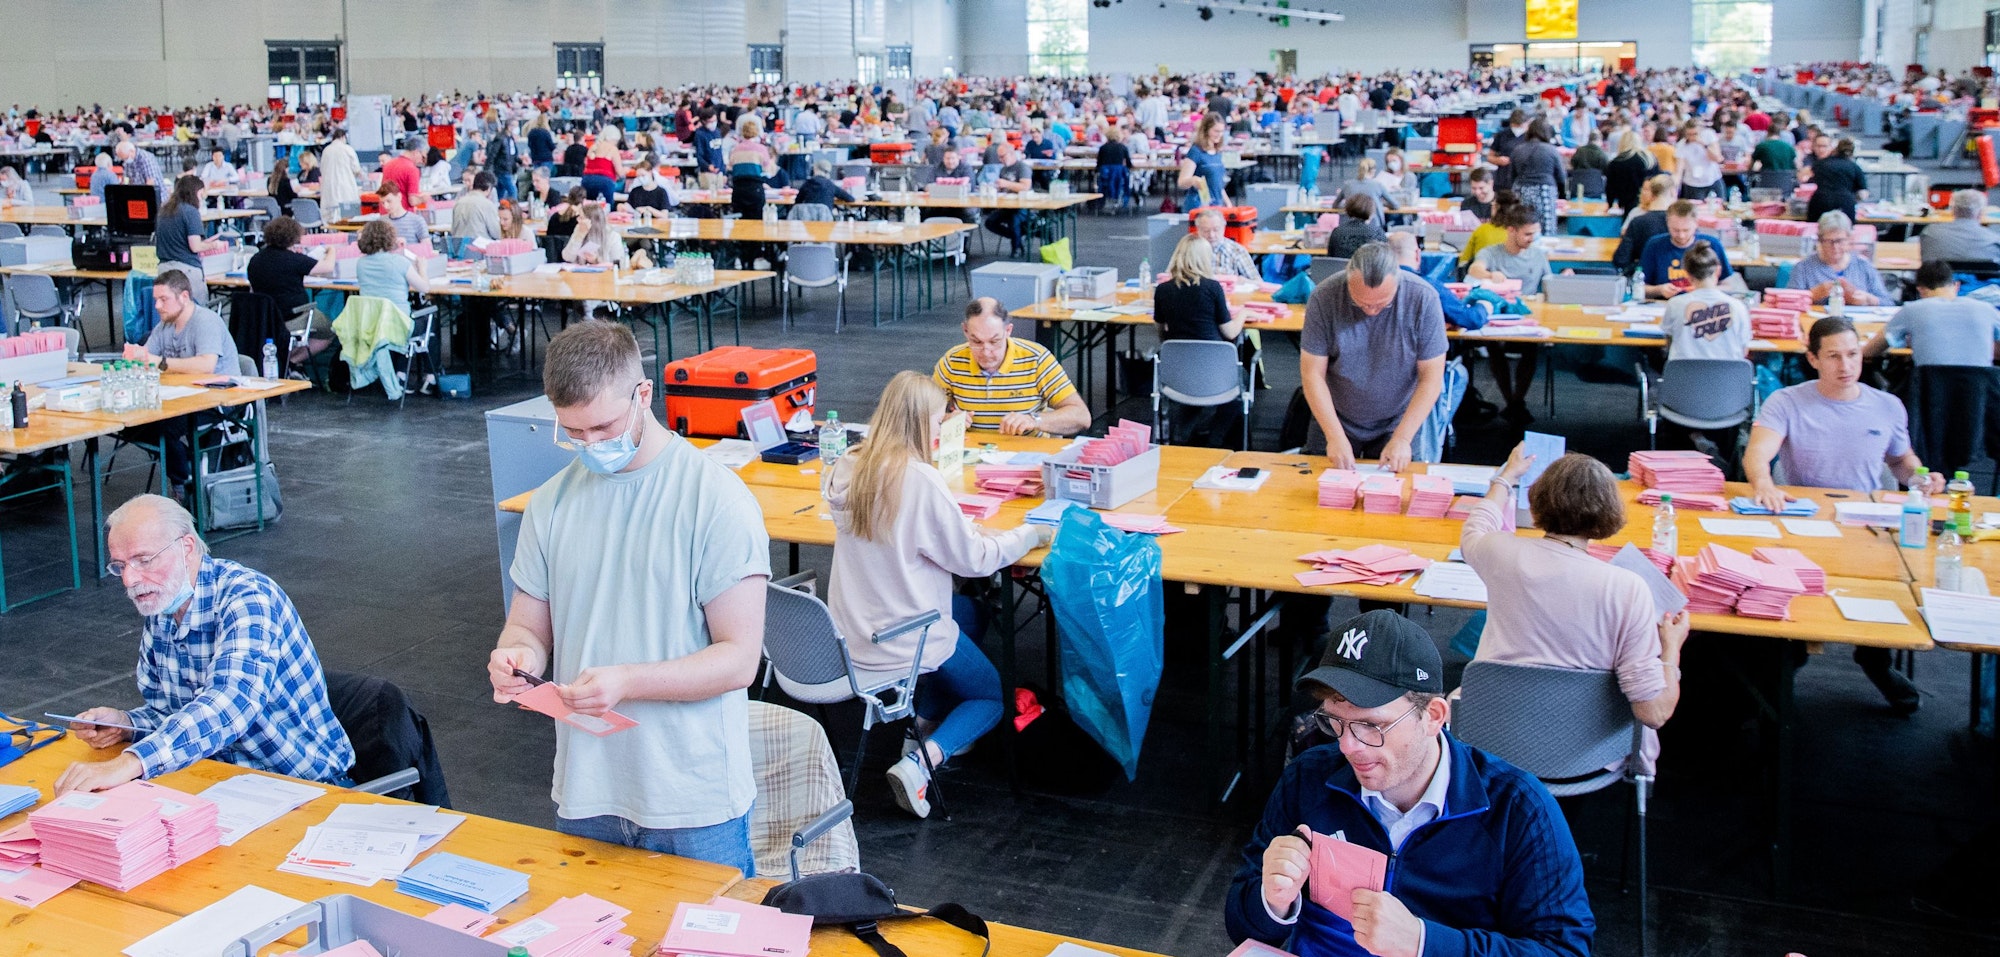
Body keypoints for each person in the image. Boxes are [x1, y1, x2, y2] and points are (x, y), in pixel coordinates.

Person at [488, 321, 770, 872]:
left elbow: (739, 660)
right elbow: (527, 626)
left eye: (604, 427)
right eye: (574, 432)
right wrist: (518, 656)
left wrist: (627, 681)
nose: (591, 445)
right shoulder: (551, 502)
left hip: (693, 799)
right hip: (587, 789)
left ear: (644, 394)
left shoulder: (715, 500)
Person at [1224, 608, 1593, 957]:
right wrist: (1271, 901)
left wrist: (1423, 942)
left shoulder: (1518, 808)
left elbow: (1563, 949)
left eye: (1372, 725)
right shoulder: (1310, 776)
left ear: (1433, 716)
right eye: (1335, 721)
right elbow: (1243, 926)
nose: (1347, 746)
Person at [822, 371, 1050, 817]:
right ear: (919, 423)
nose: (940, 430)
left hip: (852, 630)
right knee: (994, 697)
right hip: (901, 636)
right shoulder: (919, 480)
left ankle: (921, 721)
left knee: (970, 613)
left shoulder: (850, 465)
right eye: (937, 422)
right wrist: (1026, 535)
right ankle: (921, 763)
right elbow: (975, 560)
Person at [55, 494, 355, 793]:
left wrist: (131, 762)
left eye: (143, 560)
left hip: (306, 788)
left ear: (186, 547)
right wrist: (126, 724)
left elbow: (231, 704)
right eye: (120, 566)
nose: (129, 579)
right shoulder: (164, 604)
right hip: (220, 782)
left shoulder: (248, 597)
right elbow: (174, 715)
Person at [1744, 316, 1942, 714]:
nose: (1846, 365)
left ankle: (1875, 658)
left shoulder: (1887, 405)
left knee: (1890, 588)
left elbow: (1902, 461)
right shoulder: (1786, 401)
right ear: (1813, 359)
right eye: (1834, 356)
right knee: (1791, 605)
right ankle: (1783, 669)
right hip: (1804, 522)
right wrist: (1763, 483)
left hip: (1865, 525)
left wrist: (1923, 478)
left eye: (1853, 354)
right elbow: (1757, 454)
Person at [1463, 446, 1690, 776]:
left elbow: (1477, 526)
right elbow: (1654, 712)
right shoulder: (1627, 588)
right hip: (1588, 756)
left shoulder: (1499, 552)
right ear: (1609, 511)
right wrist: (1671, 648)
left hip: (1495, 744)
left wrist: (1507, 476)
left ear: (1537, 500)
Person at [1300, 242, 1455, 470]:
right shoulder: (1324, 297)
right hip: (1336, 416)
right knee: (1322, 483)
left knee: (1400, 486)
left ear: (1397, 282)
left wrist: (1403, 438)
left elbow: (1431, 378)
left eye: (1382, 304)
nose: (1371, 311)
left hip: (1400, 418)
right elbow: (1312, 374)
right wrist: (1334, 436)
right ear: (1348, 281)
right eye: (1360, 303)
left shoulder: (1423, 298)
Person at [118, 270, 241, 493]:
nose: (157, 306)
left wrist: (159, 362)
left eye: (163, 299)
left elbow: (206, 366)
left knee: (164, 426)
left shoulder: (205, 321)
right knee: (130, 423)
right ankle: (186, 465)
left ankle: (182, 480)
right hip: (183, 397)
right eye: (156, 300)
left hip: (216, 400)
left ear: (184, 297)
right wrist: (136, 357)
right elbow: (148, 357)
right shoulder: (165, 325)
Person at [932, 298, 1092, 436]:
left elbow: (1081, 416)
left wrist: (1035, 420)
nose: (986, 352)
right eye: (977, 341)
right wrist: (945, 419)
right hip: (972, 453)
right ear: (965, 331)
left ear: (1008, 331)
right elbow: (923, 414)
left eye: (994, 341)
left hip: (1026, 453)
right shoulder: (952, 361)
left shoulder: (1036, 359)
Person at [1154, 234, 1248, 446]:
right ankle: (1216, 439)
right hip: (1215, 372)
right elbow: (1230, 332)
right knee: (1241, 380)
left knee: (1191, 392)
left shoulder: (1162, 290)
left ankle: (1185, 434)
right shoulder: (1212, 288)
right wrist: (1243, 314)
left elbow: (1161, 331)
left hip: (1177, 374)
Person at [1865, 260, 2000, 366]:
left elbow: (1870, 350)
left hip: (1930, 388)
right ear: (1957, 285)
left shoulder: (1912, 310)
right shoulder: (1987, 309)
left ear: (1920, 290)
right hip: (1979, 389)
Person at [246, 215, 336, 363]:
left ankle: (283, 362)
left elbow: (252, 290)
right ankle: (291, 362)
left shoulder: (255, 259)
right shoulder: (294, 259)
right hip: (292, 317)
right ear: (294, 238)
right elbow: (327, 267)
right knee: (329, 329)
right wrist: (331, 250)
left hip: (263, 319)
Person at [1661, 243, 1750, 361]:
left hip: (1684, 372)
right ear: (1718, 271)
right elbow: (1744, 350)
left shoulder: (1674, 304)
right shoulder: (1739, 307)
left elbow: (1669, 341)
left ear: (1687, 274)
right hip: (1727, 373)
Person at [1785, 211, 1889, 306]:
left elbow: (1888, 303)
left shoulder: (1864, 265)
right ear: (1820, 240)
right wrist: (1812, 296)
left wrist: (1868, 299)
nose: (1835, 247)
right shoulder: (1803, 267)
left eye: (1840, 241)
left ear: (1849, 239)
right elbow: (1788, 303)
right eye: (1829, 241)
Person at [1388, 231, 1486, 330]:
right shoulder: (1428, 287)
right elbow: (1472, 319)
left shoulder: (1380, 285)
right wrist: (1484, 305)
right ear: (1418, 254)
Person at [1638, 200, 1735, 299]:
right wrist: (1659, 290)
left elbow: (1728, 286)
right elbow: (1639, 287)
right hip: (1665, 303)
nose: (1681, 235)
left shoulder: (1712, 244)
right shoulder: (1654, 245)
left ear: (1696, 224)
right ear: (1667, 224)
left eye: (1686, 230)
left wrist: (1704, 290)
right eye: (1675, 230)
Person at [152, 175, 225, 304]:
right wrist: (214, 245)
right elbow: (195, 246)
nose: (201, 199)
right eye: (201, 194)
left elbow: (177, 240)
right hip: (187, 271)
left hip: (163, 270)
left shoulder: (163, 211)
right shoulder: (191, 212)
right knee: (196, 311)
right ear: (195, 193)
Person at [355, 218, 430, 311]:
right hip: (397, 317)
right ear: (390, 238)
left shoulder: (361, 263)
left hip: (370, 317)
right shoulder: (401, 262)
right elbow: (424, 288)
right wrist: (422, 268)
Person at [1508, 119, 1567, 236]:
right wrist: (1562, 196)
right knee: (1547, 229)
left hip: (1521, 190)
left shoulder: (1518, 150)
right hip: (1545, 191)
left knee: (1522, 227)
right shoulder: (1551, 150)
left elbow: (1511, 176)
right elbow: (1561, 177)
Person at [1612, 174, 1678, 275]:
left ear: (1652, 193)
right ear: (1673, 192)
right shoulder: (1681, 223)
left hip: (1645, 275)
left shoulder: (1637, 222)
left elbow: (1621, 259)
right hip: (1675, 274)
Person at [1918, 189, 2000, 266]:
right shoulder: (1994, 241)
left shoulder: (1930, 233)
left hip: (1939, 276)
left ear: (1953, 211)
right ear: (1981, 213)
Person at [981, 143, 1036, 256]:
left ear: (1011, 154)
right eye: (999, 157)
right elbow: (1004, 188)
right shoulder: (1003, 169)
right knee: (990, 222)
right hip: (1007, 205)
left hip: (1022, 205)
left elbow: (1025, 186)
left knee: (1014, 221)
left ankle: (1016, 248)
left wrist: (1006, 183)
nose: (1000, 160)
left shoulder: (1022, 167)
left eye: (1002, 156)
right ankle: (1016, 238)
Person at [1802, 137, 1866, 223]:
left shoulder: (1820, 163)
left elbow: (1803, 177)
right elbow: (1863, 194)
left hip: (1820, 201)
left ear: (1834, 149)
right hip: (1845, 202)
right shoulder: (1854, 167)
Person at [1177, 112, 1229, 210]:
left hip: (1217, 206)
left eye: (1222, 131)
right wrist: (1193, 180)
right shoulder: (1196, 151)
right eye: (1216, 131)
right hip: (1198, 205)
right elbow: (1181, 182)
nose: (1220, 135)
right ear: (1206, 130)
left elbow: (1218, 185)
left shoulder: (1217, 152)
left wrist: (1228, 204)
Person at [1194, 205, 1258, 280]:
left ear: (1223, 228)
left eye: (1216, 230)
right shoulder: (1189, 251)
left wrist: (1240, 280)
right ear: (1198, 230)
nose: (1211, 235)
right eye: (1206, 230)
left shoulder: (1237, 251)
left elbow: (1257, 281)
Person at [564, 201, 630, 269]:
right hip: (579, 272)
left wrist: (597, 260)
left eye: (581, 218)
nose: (578, 220)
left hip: (605, 274)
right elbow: (567, 257)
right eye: (578, 217)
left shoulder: (613, 236)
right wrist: (579, 237)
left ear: (592, 221)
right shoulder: (579, 229)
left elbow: (618, 264)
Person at [1604, 129, 1654, 213]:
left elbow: (1610, 188)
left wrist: (1610, 204)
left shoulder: (1616, 162)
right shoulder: (1649, 159)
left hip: (1628, 204)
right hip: (1650, 203)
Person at [1325, 194, 1387, 259]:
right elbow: (1384, 259)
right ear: (1372, 212)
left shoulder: (1338, 232)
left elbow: (1331, 258)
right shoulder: (1377, 232)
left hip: (1344, 265)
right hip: (1368, 265)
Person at [451, 170, 503, 246]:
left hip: (458, 248)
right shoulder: (487, 204)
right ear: (489, 189)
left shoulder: (459, 203)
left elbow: (453, 231)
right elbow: (496, 233)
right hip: (479, 248)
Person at [318, 126, 361, 216]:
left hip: (328, 189)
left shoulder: (326, 150)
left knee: (330, 217)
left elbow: (322, 169)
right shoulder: (348, 149)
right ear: (343, 137)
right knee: (348, 215)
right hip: (346, 187)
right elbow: (356, 169)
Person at [1674, 122, 1723, 200]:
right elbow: (1679, 170)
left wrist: (1703, 145)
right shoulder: (1681, 145)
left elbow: (1718, 159)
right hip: (1693, 184)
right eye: (1689, 134)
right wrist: (1675, 185)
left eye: (1695, 134)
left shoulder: (1709, 135)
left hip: (1713, 179)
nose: (1692, 137)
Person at [375, 180, 429, 249]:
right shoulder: (380, 222)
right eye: (382, 203)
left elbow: (427, 249)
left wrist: (406, 246)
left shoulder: (417, 221)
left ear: (399, 197)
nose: (386, 206)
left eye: (389, 201)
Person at [380, 138, 427, 211]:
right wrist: (424, 199)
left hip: (385, 212)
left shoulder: (388, 165)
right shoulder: (412, 169)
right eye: (423, 157)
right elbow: (413, 201)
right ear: (416, 152)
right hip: (403, 214)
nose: (421, 161)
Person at [581, 133, 621, 203]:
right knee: (609, 204)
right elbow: (620, 172)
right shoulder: (612, 149)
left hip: (587, 179)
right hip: (605, 181)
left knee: (589, 204)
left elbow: (586, 163)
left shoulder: (592, 147)